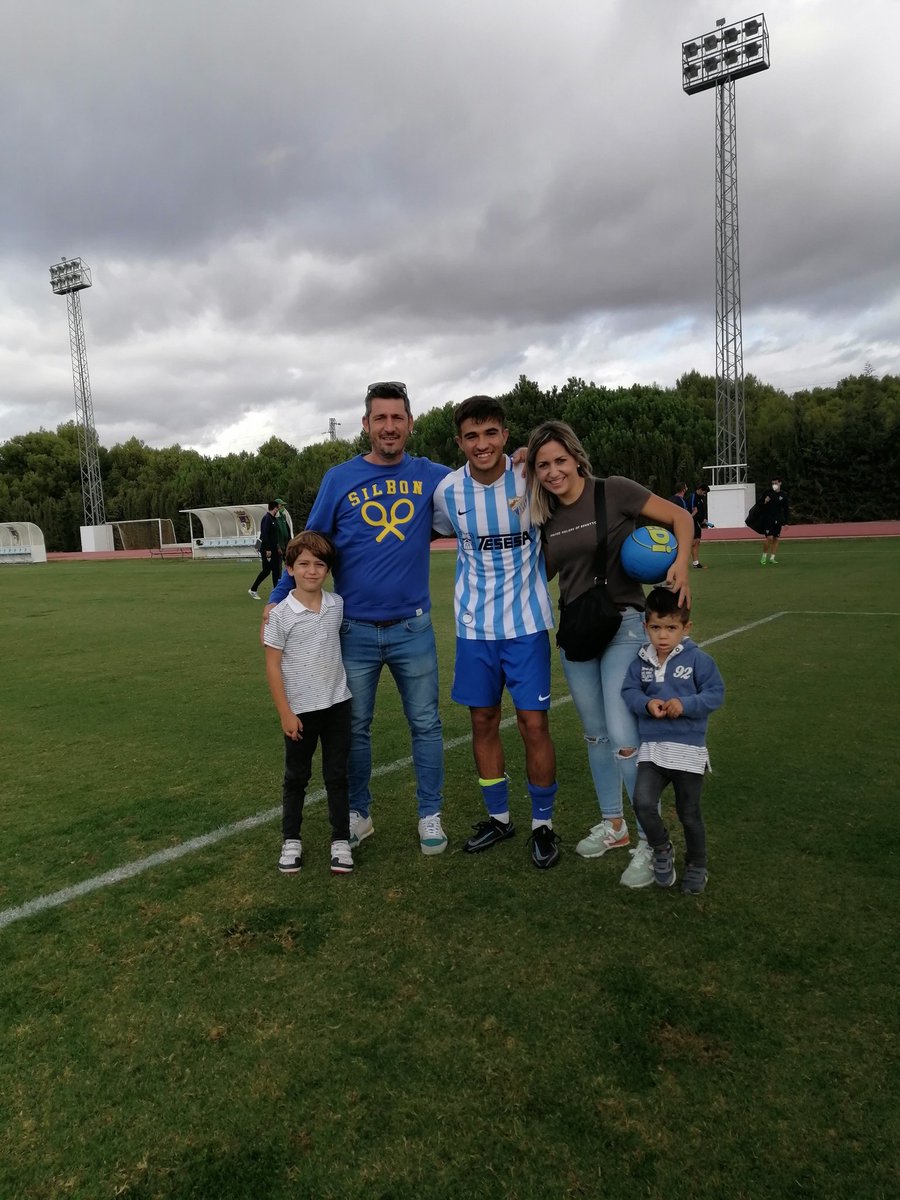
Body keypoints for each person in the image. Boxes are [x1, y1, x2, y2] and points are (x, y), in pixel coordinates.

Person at [266, 382, 451, 856]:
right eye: (380, 418)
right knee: (357, 729)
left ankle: (430, 814)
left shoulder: (433, 475)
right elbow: (310, 539)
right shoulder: (340, 477)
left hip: (413, 628)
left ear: (411, 423)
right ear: (366, 425)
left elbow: (482, 481)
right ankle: (359, 814)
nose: (389, 427)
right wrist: (280, 593)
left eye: (398, 418)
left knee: (426, 725)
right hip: (353, 632)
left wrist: (514, 463)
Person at [525, 421, 695, 889]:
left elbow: (681, 518)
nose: (554, 471)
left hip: (623, 623)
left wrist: (681, 562)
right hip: (577, 631)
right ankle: (614, 827)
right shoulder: (546, 519)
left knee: (624, 734)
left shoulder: (615, 491)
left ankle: (652, 841)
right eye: (543, 465)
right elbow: (541, 575)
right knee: (596, 736)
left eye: (560, 461)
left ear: (577, 458)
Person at [432, 396, 561, 869]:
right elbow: (440, 532)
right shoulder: (447, 492)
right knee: (482, 722)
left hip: (526, 627)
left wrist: (536, 450)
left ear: (506, 436)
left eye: (490, 434)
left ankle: (543, 825)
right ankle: (500, 818)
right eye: (471, 436)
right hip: (474, 629)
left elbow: (570, 488)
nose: (481, 444)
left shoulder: (532, 476)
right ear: (460, 442)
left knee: (534, 725)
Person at [621, 587, 725, 894]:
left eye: (671, 628)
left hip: (687, 751)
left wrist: (686, 704)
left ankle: (697, 864)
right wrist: (645, 704)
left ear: (686, 628)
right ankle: (662, 848)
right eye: (655, 628)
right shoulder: (640, 661)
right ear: (645, 627)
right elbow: (629, 692)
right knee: (642, 802)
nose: (662, 636)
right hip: (652, 749)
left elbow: (715, 694)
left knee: (688, 812)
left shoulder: (699, 660)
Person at [263, 532, 354, 876]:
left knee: (336, 776)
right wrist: (285, 712)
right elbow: (272, 664)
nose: (311, 571)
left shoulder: (337, 605)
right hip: (299, 712)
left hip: (337, 706)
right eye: (303, 564)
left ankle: (341, 840)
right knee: (296, 777)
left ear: (328, 570)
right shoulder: (281, 614)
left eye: (319, 564)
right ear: (290, 569)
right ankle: (291, 840)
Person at [249, 500, 281, 599]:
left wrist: (278, 547)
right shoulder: (267, 518)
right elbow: (264, 534)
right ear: (275, 508)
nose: (278, 509)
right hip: (267, 550)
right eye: (278, 508)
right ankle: (253, 589)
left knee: (276, 570)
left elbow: (274, 536)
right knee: (266, 570)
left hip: (274, 549)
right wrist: (267, 549)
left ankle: (276, 592)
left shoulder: (274, 519)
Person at [758, 477, 789, 564]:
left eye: (775, 483)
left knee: (776, 538)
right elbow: (759, 504)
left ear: (780, 483)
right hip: (768, 518)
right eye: (772, 483)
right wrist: (764, 501)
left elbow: (786, 509)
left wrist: (786, 522)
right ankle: (764, 556)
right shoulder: (767, 493)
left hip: (778, 519)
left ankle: (772, 558)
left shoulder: (783, 495)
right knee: (769, 538)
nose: (774, 485)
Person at [687, 483, 711, 569]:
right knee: (693, 542)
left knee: (697, 541)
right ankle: (682, 560)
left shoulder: (701, 498)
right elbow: (692, 511)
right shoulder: (693, 497)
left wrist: (703, 520)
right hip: (692, 522)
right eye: (704, 492)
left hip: (698, 523)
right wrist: (700, 519)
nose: (705, 495)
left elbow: (701, 511)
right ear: (700, 489)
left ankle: (696, 563)